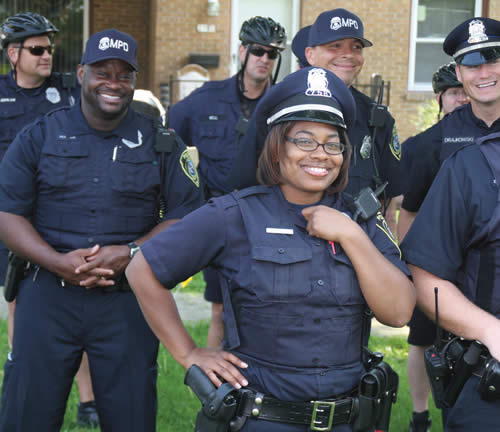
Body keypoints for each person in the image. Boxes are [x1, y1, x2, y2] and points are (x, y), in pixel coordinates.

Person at [126, 66, 415, 432]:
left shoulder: (362, 220)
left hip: (348, 419)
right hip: (261, 419)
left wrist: (352, 236)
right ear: (277, 147)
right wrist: (189, 353)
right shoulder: (233, 214)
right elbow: (142, 270)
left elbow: (399, 312)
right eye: (305, 140)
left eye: (332, 143)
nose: (321, 154)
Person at [0, 28, 203, 431]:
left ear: (133, 80)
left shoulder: (161, 142)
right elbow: (7, 213)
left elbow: (187, 216)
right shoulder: (40, 135)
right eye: (102, 72)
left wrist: (130, 252)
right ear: (80, 73)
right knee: (26, 415)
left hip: (127, 301)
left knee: (131, 417)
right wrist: (57, 262)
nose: (113, 83)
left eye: (123, 74)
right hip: (47, 296)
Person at [0, 12, 99, 428]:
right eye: (37, 49)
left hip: (62, 215)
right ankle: (19, 371)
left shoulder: (68, 91)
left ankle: (88, 398)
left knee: (77, 299)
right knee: (17, 298)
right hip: (14, 218)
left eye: (49, 49)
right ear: (13, 54)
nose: (47, 56)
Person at [401, 17, 500, 432]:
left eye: (493, 58)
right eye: (471, 64)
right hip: (473, 332)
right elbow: (411, 217)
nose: (484, 71)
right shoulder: (440, 148)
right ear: (457, 75)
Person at [228, 9, 404, 237]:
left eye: (356, 47)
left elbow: (388, 207)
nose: (348, 54)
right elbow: (244, 188)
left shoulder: (378, 120)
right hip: (285, 247)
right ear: (310, 55)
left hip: (356, 250)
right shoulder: (277, 110)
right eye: (335, 46)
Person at [169, 16, 286, 348]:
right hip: (221, 217)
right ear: (242, 51)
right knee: (221, 309)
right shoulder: (207, 98)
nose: (264, 59)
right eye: (259, 51)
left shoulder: (281, 103)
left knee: (266, 308)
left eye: (272, 54)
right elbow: (170, 139)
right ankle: (215, 391)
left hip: (267, 216)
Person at [398, 62, 468, 432]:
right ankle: (420, 415)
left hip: (475, 266)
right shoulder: (423, 146)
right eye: (453, 92)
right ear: (439, 98)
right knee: (422, 342)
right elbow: (404, 212)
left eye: (464, 90)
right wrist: (411, 268)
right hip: (431, 267)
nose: (461, 98)